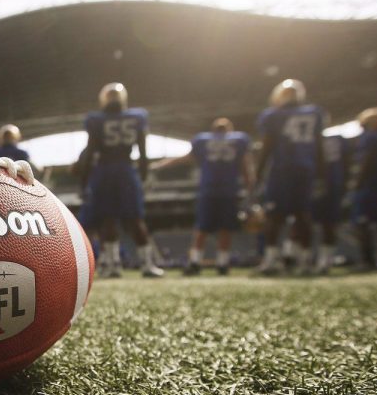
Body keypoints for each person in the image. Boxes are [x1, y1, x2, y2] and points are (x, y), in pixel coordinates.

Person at [76, 82, 163, 278]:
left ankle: (114, 265)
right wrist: (142, 175)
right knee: (134, 218)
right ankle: (147, 264)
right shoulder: (136, 117)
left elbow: (90, 152)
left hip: (104, 170)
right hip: (125, 169)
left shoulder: (96, 120)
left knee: (108, 219)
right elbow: (142, 152)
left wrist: (83, 181)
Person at [153, 118, 254, 275]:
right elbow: (245, 165)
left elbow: (186, 158)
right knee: (222, 228)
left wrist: (161, 164)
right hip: (227, 191)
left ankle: (197, 262)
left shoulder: (204, 140)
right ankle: (221, 263)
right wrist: (251, 188)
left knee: (203, 228)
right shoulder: (238, 140)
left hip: (211, 190)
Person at [255, 79, 325, 275]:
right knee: (303, 215)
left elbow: (267, 146)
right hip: (306, 169)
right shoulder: (314, 113)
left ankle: (270, 260)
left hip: (282, 170)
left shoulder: (273, 115)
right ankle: (305, 260)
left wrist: (258, 175)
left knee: (275, 216)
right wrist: (321, 174)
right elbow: (319, 147)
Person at [352, 107, 377, 270]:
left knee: (362, 224)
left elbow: (368, 162)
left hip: (373, 186)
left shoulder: (371, 138)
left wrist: (358, 182)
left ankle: (366, 260)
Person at [311, 134, 351, 274]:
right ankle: (320, 260)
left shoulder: (330, 140)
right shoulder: (338, 140)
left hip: (319, 183)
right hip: (332, 183)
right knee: (324, 222)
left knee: (324, 222)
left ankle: (322, 260)